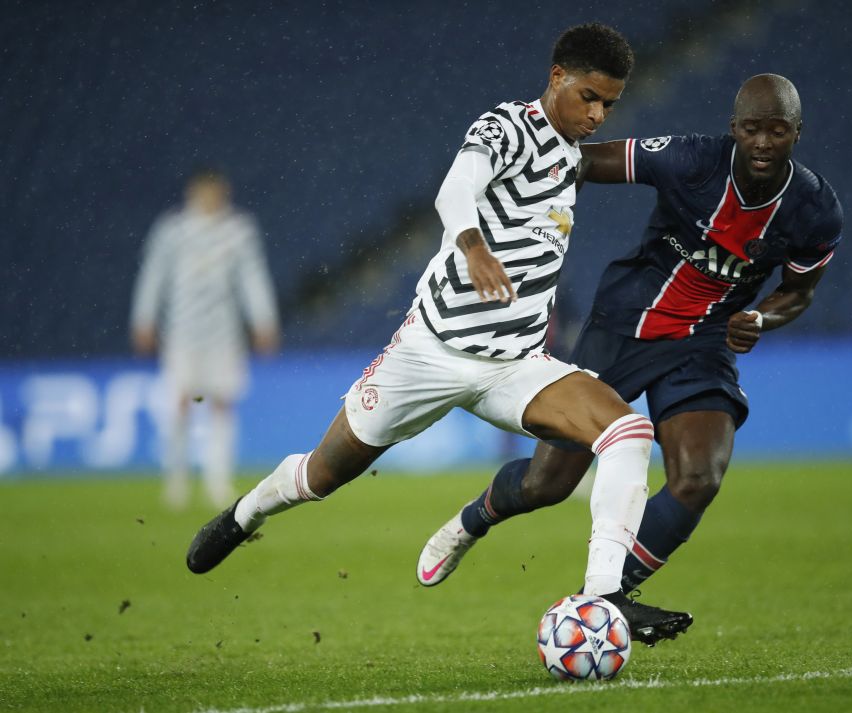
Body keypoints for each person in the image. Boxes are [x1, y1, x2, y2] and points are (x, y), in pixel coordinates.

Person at [185, 23, 692, 646]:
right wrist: (474, 247)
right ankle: (246, 513)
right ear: (557, 76)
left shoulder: (573, 156)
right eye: (588, 97)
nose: (597, 115)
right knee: (321, 476)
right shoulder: (507, 127)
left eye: (608, 105)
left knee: (628, 432)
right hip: (429, 353)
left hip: (515, 365)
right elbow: (455, 190)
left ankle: (604, 597)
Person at [418, 74, 844, 616]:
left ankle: (605, 604)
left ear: (798, 133)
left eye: (777, 131)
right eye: (752, 129)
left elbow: (799, 291)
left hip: (704, 341)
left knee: (698, 478)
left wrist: (761, 316)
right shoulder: (692, 160)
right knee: (546, 484)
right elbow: (583, 162)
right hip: (623, 326)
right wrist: (528, 215)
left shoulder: (815, 209)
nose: (763, 143)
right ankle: (471, 521)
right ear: (733, 128)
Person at [131, 169, 280, 509]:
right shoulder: (172, 230)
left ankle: (218, 481)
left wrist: (263, 320)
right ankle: (176, 482)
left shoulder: (238, 230)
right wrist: (144, 318)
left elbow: (253, 277)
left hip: (224, 334)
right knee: (181, 402)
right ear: (192, 193)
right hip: (181, 332)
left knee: (223, 403)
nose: (211, 198)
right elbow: (154, 275)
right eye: (205, 192)